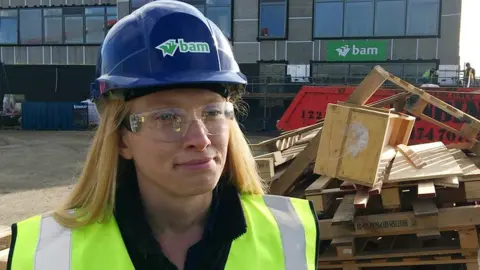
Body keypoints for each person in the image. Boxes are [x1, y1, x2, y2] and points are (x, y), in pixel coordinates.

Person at [6, 1, 319, 270]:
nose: (200, 138)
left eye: (212, 113)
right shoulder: (49, 254)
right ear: (122, 139)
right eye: (167, 117)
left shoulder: (288, 234)